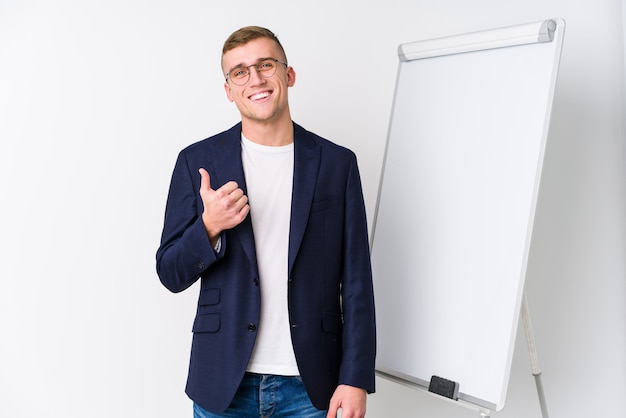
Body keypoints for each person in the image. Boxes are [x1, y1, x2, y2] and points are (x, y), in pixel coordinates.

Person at [156, 26, 376, 418]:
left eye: (265, 65)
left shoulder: (337, 164)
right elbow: (170, 272)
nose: (255, 79)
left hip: (313, 387)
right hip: (223, 383)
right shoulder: (197, 162)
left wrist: (355, 377)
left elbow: (357, 282)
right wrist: (209, 227)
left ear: (288, 75)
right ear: (228, 89)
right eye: (239, 72)